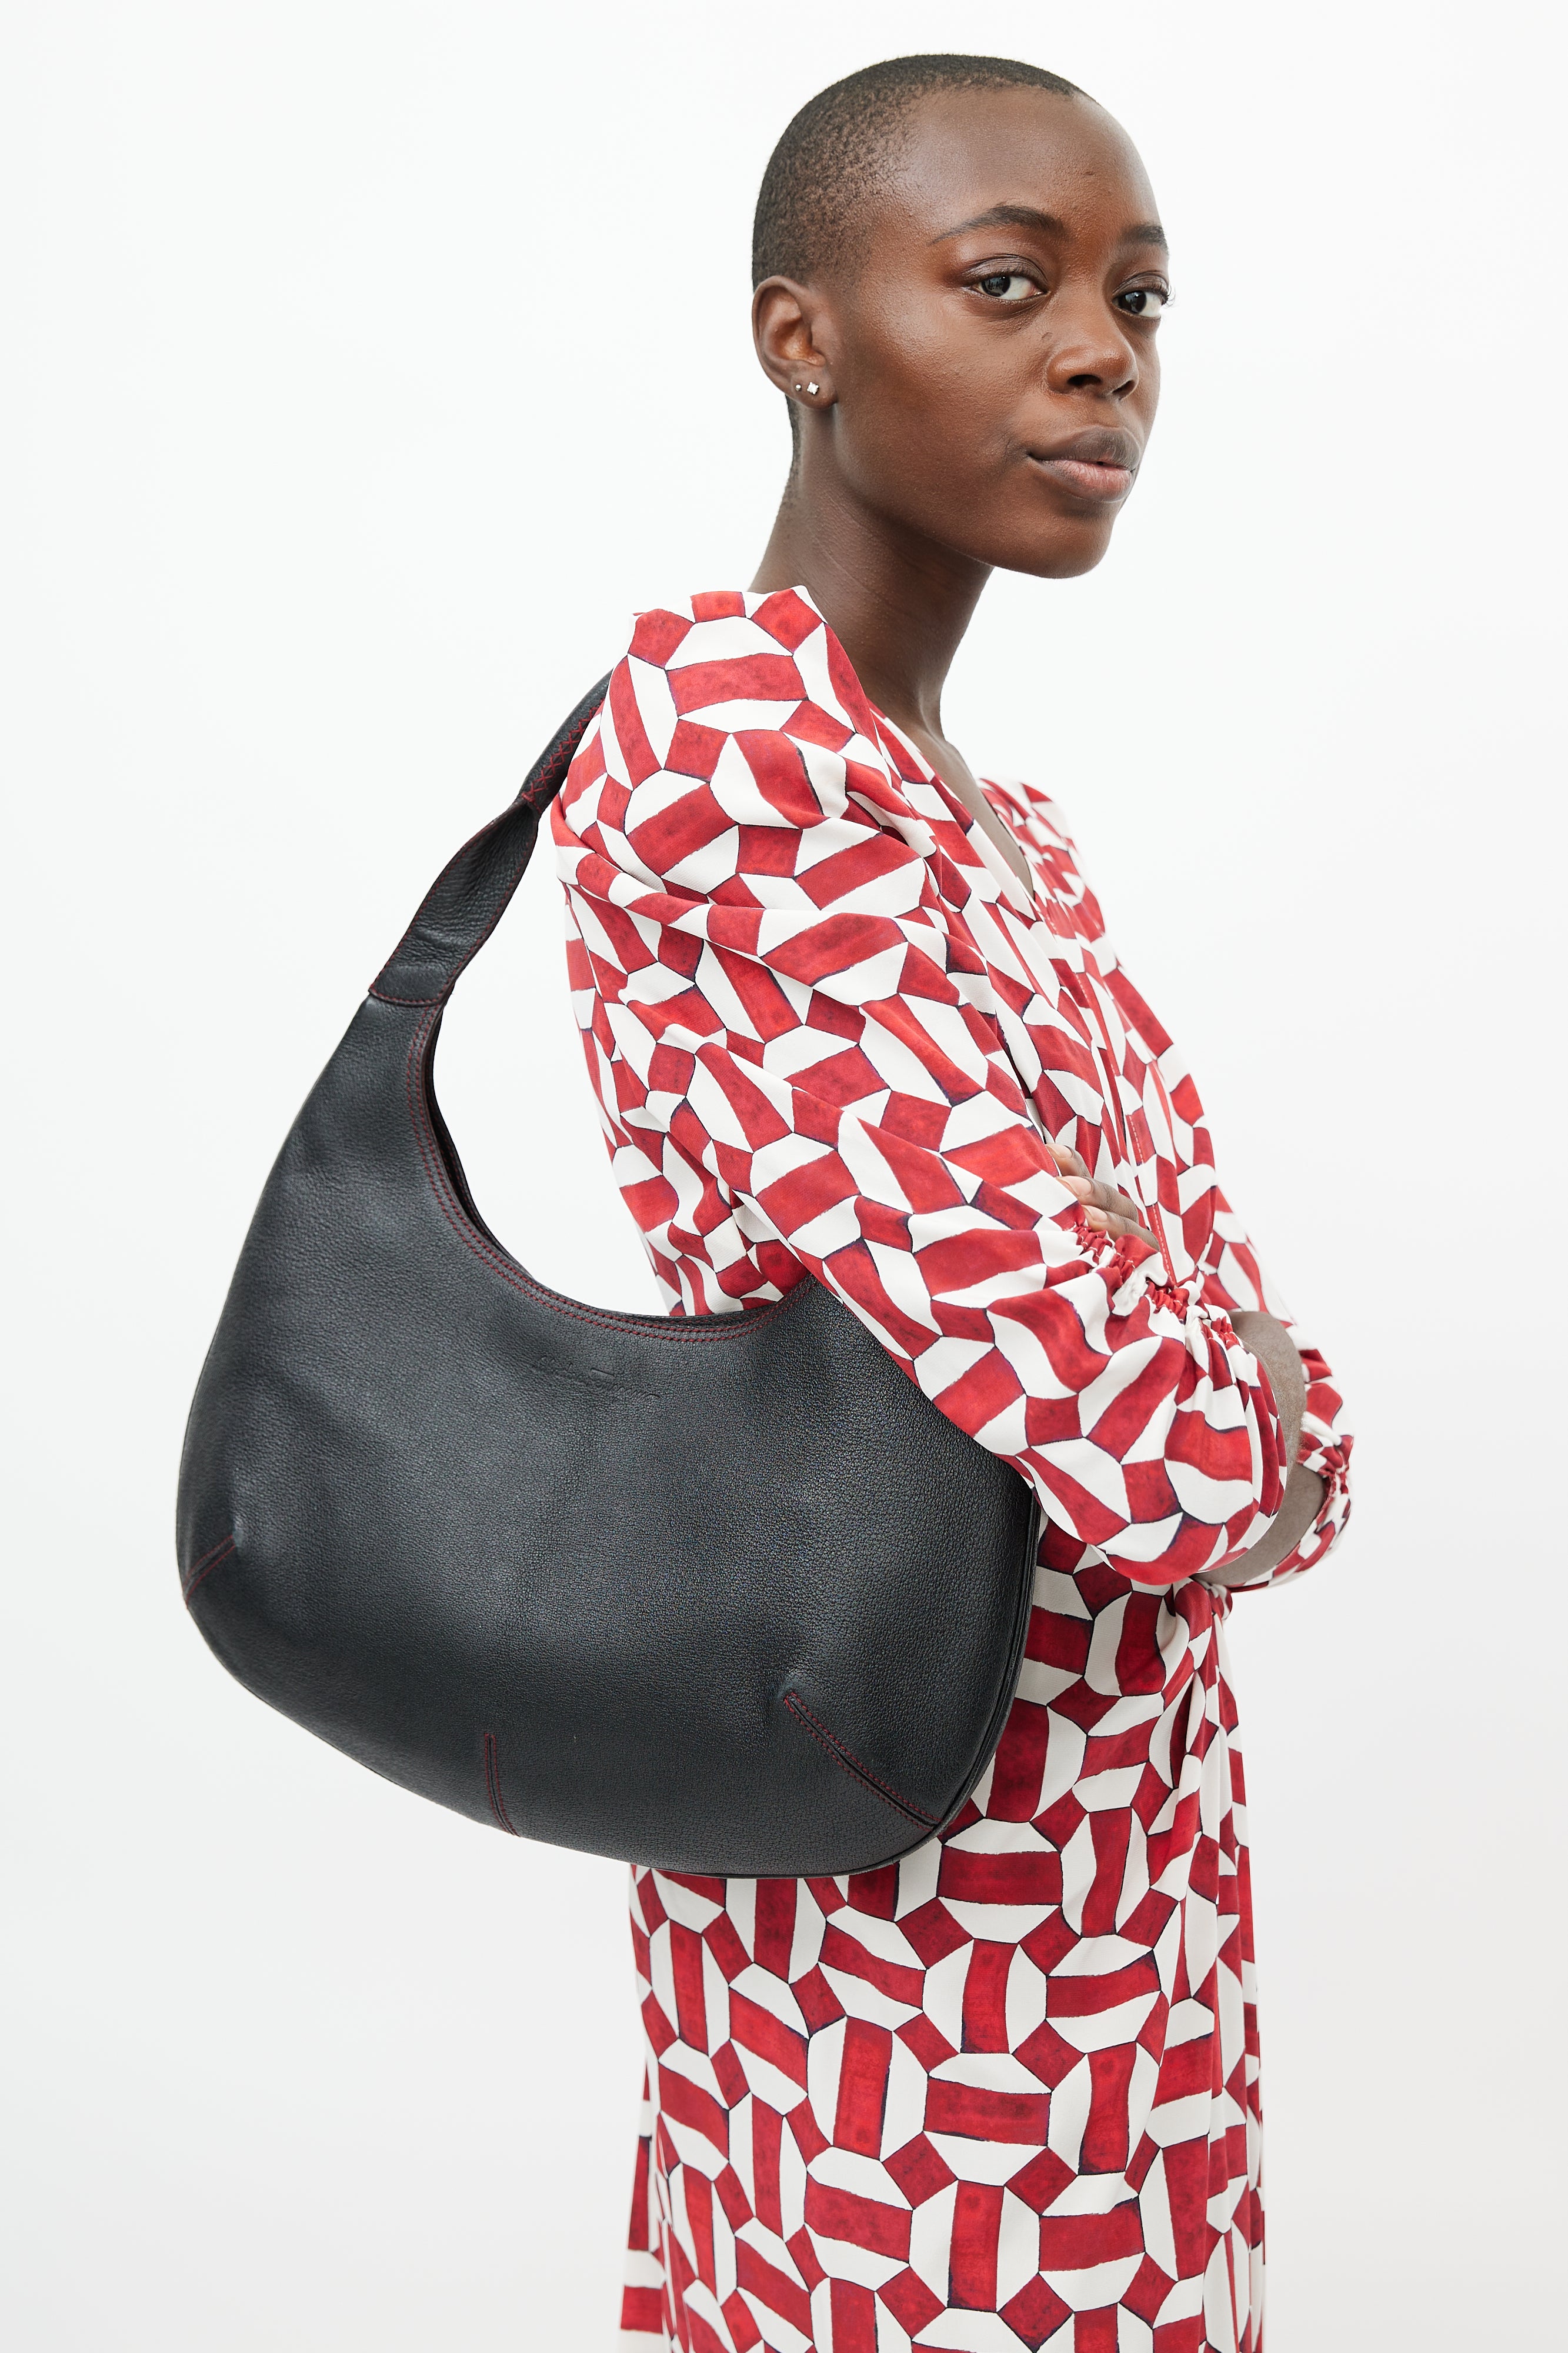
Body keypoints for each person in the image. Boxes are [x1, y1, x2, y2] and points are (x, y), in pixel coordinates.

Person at [551, 53, 1352, 2353]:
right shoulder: (741, 766)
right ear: (797, 336)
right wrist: (1245, 1407)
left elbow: (1171, 1351)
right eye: (1008, 285)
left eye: (1138, 298)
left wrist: (1202, 1375)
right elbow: (1159, 1437)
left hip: (1097, 1873)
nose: (1102, 355)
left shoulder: (987, 831)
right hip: (912, 1900)